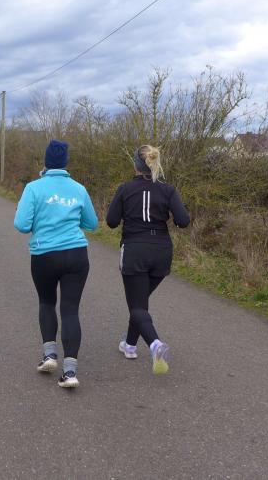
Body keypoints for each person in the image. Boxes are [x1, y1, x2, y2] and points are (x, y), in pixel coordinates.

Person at [13, 140, 98, 388]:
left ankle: (49, 355)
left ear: (46, 162)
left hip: (45, 254)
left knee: (47, 302)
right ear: (66, 162)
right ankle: (70, 372)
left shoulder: (33, 188)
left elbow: (21, 225)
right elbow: (92, 224)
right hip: (76, 254)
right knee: (70, 309)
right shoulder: (79, 188)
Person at [105, 145, 190, 375]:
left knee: (137, 305)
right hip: (162, 251)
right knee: (140, 303)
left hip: (135, 249)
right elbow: (183, 221)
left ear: (135, 164)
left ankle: (155, 344)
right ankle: (130, 346)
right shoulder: (168, 190)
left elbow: (111, 221)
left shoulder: (125, 189)